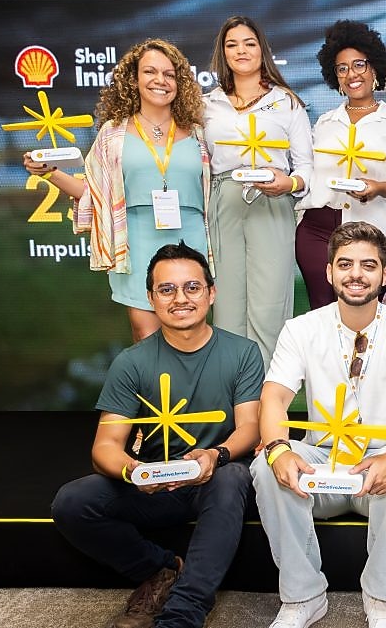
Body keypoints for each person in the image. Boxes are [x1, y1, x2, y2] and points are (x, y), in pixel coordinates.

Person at [51, 242, 263, 628]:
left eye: (192, 287)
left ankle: (183, 615)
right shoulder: (131, 362)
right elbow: (105, 447)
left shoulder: (242, 352)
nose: (180, 298)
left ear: (211, 293)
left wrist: (216, 455)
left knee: (234, 476)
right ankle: (162, 570)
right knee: (72, 501)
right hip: (153, 480)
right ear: (151, 298)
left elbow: (250, 426)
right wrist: (133, 471)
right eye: (167, 290)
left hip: (216, 478)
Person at [252, 221, 386, 628]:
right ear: (329, 272)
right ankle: (303, 598)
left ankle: (382, 600)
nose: (357, 274)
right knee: (266, 464)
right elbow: (274, 398)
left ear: (385, 275)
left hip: (379, 464)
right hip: (321, 463)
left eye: (369, 265)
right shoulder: (300, 329)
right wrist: (279, 449)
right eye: (346, 264)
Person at [24, 39, 209, 341]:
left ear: (180, 81)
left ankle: (192, 391)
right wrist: (51, 173)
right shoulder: (113, 133)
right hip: (135, 243)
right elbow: (92, 191)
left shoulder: (199, 132)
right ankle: (156, 391)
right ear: (133, 80)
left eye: (169, 74)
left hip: (192, 241)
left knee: (190, 335)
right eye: (150, 72)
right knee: (146, 337)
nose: (160, 80)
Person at [204, 16, 313, 367]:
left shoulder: (287, 102)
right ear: (222, 53)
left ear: (262, 50)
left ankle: (268, 401)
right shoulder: (207, 105)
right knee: (227, 306)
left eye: (249, 43)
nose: (241, 51)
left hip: (272, 202)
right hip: (226, 203)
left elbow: (306, 168)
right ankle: (234, 404)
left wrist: (289, 183)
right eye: (232, 44)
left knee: (268, 307)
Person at [298, 19, 386, 308]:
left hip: (374, 232)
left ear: (374, 68)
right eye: (342, 68)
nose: (352, 74)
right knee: (323, 318)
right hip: (318, 231)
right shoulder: (324, 124)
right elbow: (307, 175)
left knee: (366, 320)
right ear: (334, 76)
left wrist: (379, 187)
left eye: (359, 65)